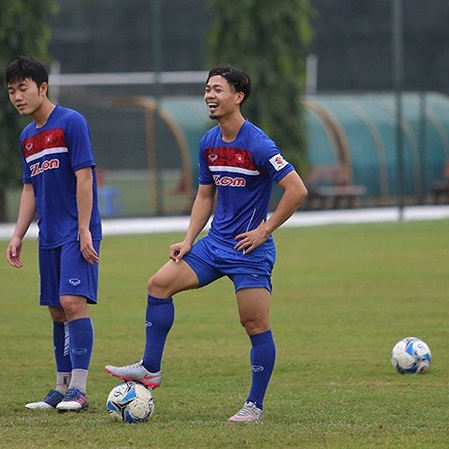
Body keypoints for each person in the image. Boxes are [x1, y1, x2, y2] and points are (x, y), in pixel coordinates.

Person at [105, 64, 308, 422]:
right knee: (158, 285)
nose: (209, 96)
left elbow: (297, 189)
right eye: (207, 89)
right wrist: (188, 240)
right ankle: (150, 368)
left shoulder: (258, 143)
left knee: (254, 325)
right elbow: (203, 196)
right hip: (213, 245)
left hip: (250, 251)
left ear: (238, 97)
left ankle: (254, 406)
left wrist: (265, 230)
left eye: (217, 89)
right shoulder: (209, 143)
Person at [5, 56, 102, 412]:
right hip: (48, 235)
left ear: (42, 88)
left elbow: (85, 177)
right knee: (55, 310)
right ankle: (61, 388)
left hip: (77, 232)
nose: (17, 97)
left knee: (73, 303)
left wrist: (84, 230)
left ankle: (79, 389)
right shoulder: (27, 137)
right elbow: (29, 189)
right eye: (12, 91)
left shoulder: (71, 122)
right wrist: (18, 235)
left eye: (23, 88)